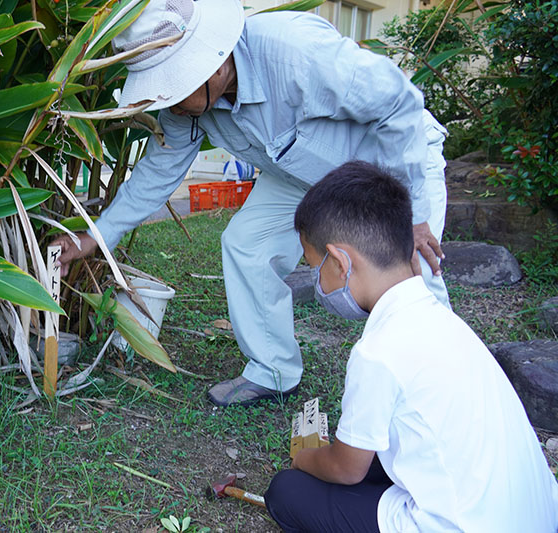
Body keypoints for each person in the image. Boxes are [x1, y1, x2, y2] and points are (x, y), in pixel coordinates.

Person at [52, 0, 451, 406]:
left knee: (412, 269)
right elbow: (157, 173)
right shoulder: (185, 105)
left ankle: (440, 391)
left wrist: (413, 213)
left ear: (217, 63)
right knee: (248, 244)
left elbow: (398, 103)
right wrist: (95, 238)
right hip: (301, 170)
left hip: (391, 159)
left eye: (174, 83)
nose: (167, 101)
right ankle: (273, 371)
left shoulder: (295, 52)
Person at [263, 161, 558, 532]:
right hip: (537, 516)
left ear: (340, 262)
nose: (317, 282)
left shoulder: (378, 351)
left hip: (461, 525)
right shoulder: (444, 322)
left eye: (314, 266)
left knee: (288, 491)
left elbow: (347, 469)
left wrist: (303, 459)